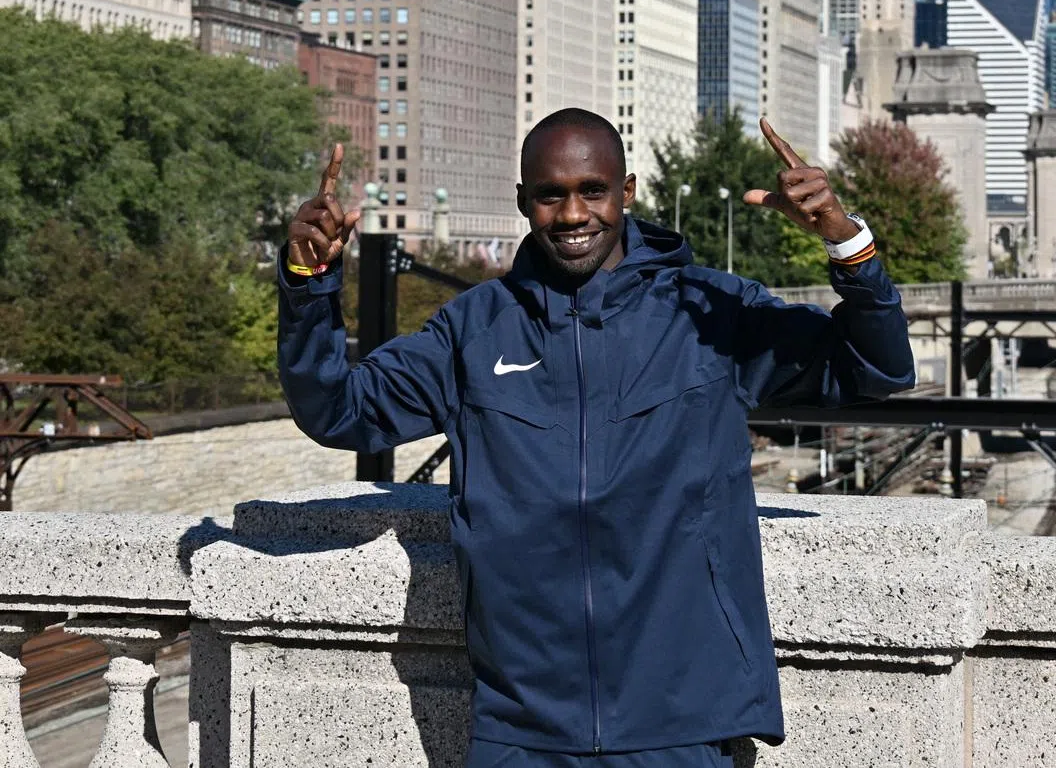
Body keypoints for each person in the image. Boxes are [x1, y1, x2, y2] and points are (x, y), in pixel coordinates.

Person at [278, 108, 914, 768]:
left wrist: (848, 245)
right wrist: (309, 285)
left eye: (593, 190)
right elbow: (337, 410)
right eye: (551, 195)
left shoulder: (710, 314)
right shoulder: (474, 331)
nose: (574, 214)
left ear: (627, 192)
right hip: (521, 732)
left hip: (683, 726)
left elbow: (878, 370)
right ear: (523, 201)